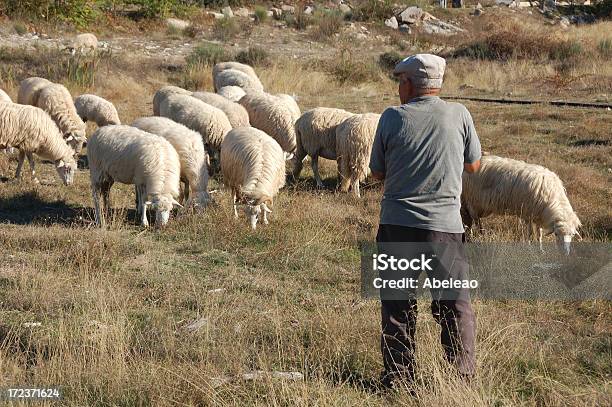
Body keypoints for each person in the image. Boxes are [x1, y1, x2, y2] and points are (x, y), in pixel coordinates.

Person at [369, 54, 482, 388]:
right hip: (445, 228)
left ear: (409, 84)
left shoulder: (391, 118)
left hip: (397, 226)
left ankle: (399, 379)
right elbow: (474, 166)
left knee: (397, 306)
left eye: (399, 82)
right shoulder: (459, 114)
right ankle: (460, 380)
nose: (398, 89)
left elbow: (377, 172)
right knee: (454, 304)